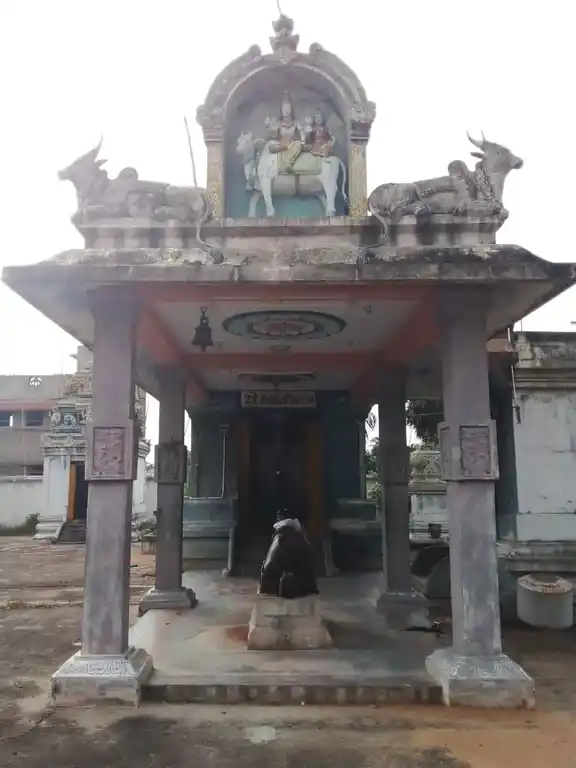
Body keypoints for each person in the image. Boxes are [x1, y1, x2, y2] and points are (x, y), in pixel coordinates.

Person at [266, 92, 304, 172]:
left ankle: (288, 163)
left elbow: (302, 138)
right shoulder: (278, 123)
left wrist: (303, 135)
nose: (286, 110)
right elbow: (272, 134)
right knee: (270, 144)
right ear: (281, 110)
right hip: (281, 145)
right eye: (284, 108)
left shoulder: (296, 123)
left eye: (287, 107)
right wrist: (268, 125)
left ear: (291, 109)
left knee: (298, 145)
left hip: (291, 145)